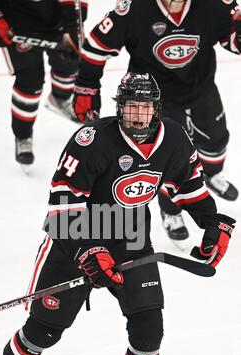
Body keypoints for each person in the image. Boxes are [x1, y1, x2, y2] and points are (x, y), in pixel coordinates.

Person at [0, 73, 235, 355]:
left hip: (131, 239)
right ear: (119, 108)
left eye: (145, 108)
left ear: (157, 110)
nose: (138, 117)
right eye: (131, 108)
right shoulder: (91, 140)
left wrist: (212, 222)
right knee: (41, 332)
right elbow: (62, 208)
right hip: (74, 242)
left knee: (149, 333)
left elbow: (190, 187)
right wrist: (89, 250)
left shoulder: (174, 138)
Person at [73, 0, 241, 245]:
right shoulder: (134, 9)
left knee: (216, 142)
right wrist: (86, 86)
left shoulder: (214, 4)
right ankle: (171, 210)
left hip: (201, 89)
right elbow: (96, 45)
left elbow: (231, 40)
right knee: (166, 158)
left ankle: (210, 175)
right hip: (152, 99)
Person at [0, 0, 88, 168]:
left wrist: (74, 24)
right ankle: (23, 135)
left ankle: (60, 99)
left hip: (57, 18)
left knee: (70, 63)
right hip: (15, 22)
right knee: (30, 79)